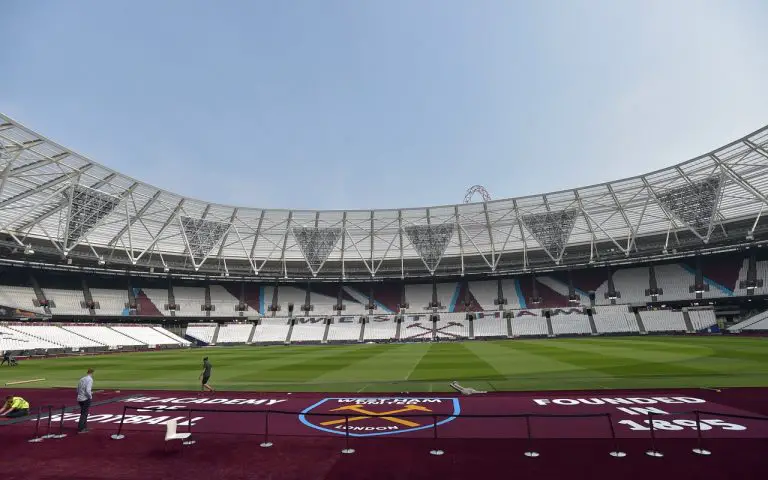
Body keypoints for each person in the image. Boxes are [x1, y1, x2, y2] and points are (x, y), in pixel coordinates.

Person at [76, 368, 94, 433]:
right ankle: (81, 428)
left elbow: (77, 389)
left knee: (83, 413)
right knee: (84, 414)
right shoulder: (90, 379)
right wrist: (90, 396)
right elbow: (88, 390)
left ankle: (84, 427)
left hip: (79, 398)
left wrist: (82, 394)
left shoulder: (82, 379)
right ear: (92, 373)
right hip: (85, 399)